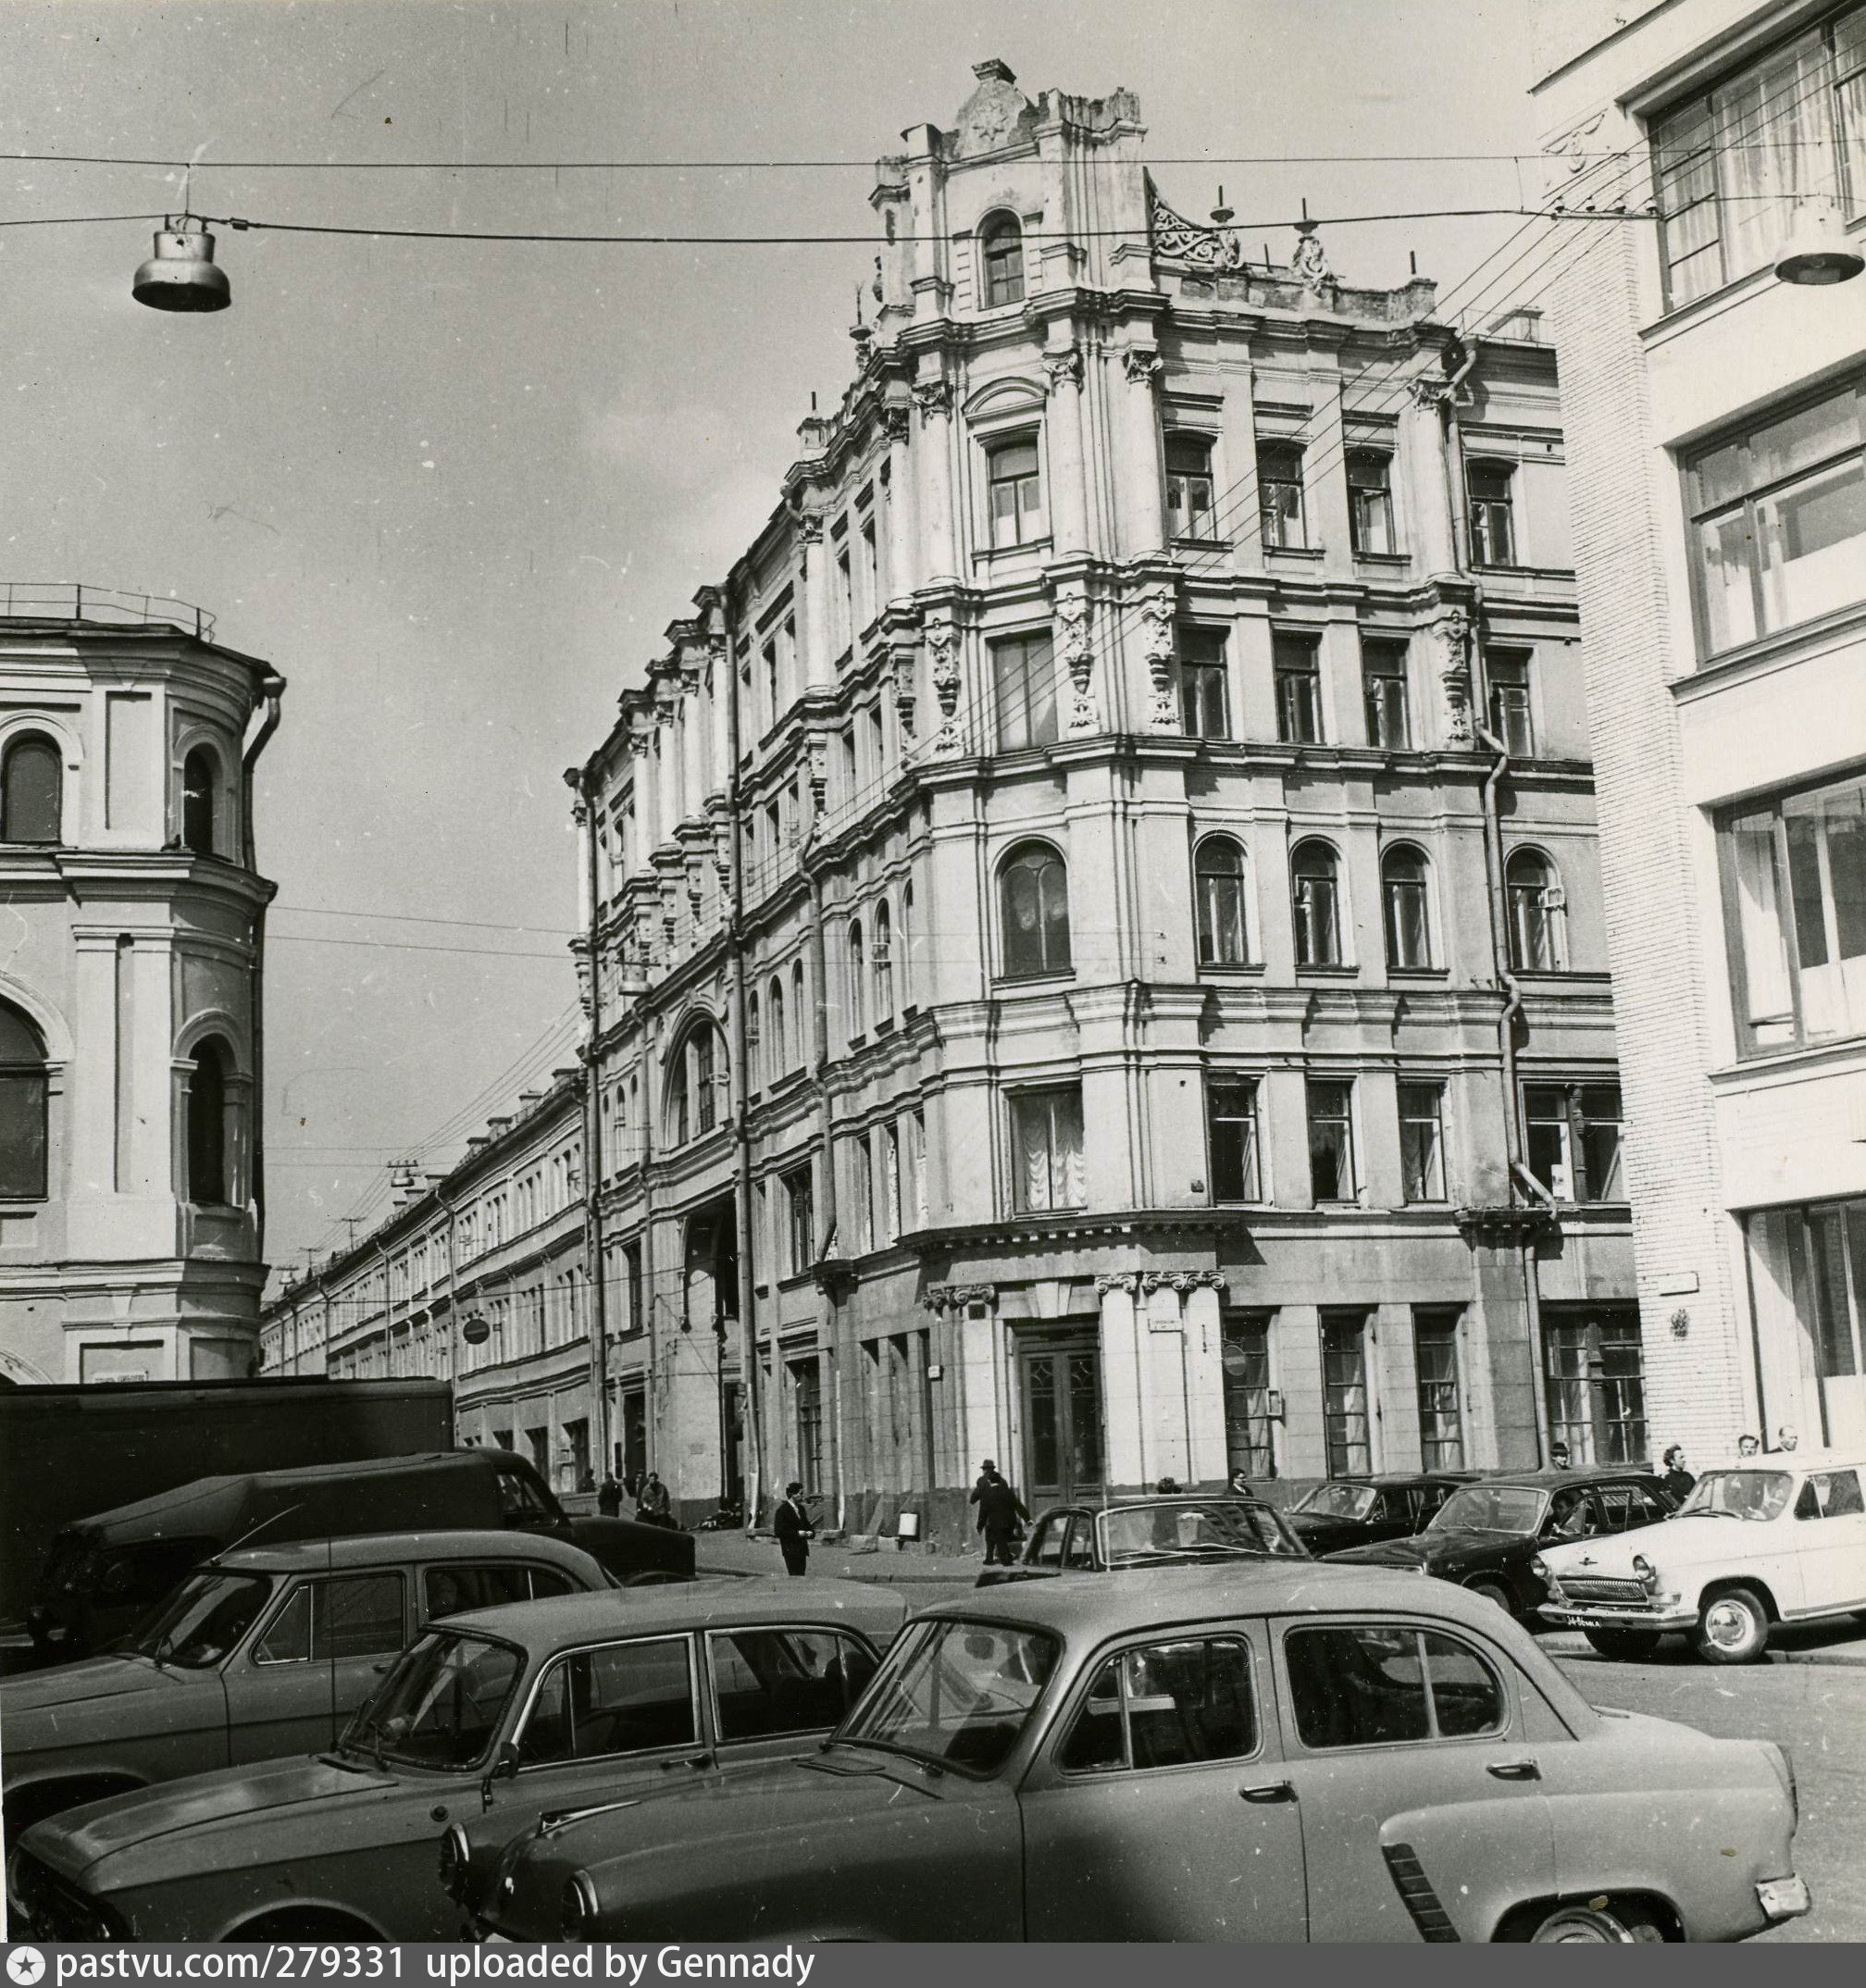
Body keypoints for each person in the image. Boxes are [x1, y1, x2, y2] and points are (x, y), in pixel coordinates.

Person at [974, 1465, 1030, 1567]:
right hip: (1009, 1521)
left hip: (995, 1523)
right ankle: (1000, 1557)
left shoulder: (987, 1494)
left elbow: (983, 1512)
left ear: (990, 1481)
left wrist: (979, 1526)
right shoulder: (1008, 1492)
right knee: (1002, 1539)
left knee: (998, 1540)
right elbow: (1019, 1506)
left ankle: (1005, 1560)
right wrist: (1027, 1519)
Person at [774, 1481, 815, 1576]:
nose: (802, 1496)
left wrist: (810, 1533)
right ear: (793, 1494)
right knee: (795, 1576)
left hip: (802, 1550)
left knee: (801, 1574)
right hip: (790, 1550)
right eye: (800, 1494)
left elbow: (808, 1526)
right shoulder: (782, 1511)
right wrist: (798, 1534)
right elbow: (779, 1532)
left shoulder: (801, 1509)